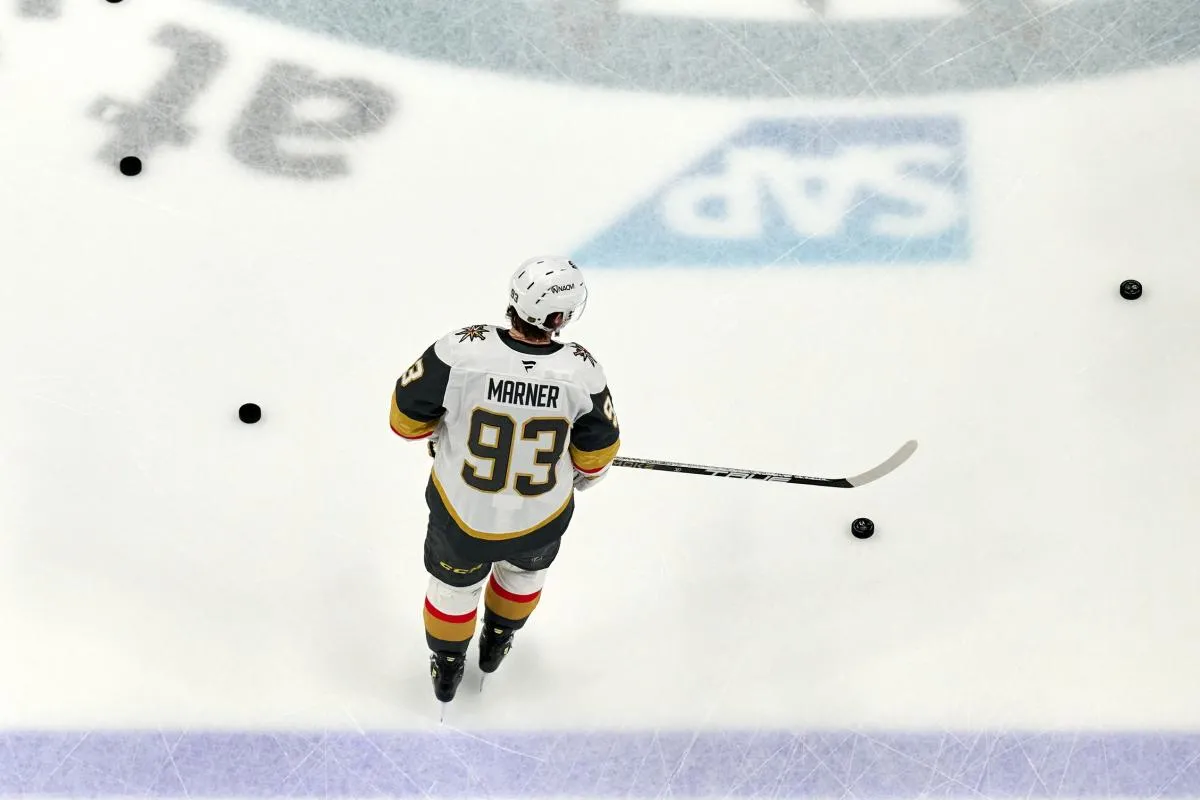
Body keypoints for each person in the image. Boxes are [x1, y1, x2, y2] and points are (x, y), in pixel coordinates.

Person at [389, 256, 621, 704]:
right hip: (539, 517)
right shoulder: (581, 370)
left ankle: (448, 664)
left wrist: (441, 428)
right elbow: (595, 459)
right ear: (559, 317)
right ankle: (497, 641)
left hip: (462, 514)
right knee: (522, 577)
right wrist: (577, 469)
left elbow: (404, 422)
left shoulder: (459, 349)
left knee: (453, 589)